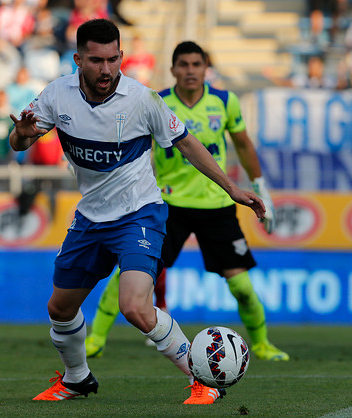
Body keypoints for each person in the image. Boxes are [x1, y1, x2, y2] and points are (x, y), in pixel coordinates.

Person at [9, 19, 266, 405]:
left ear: (121, 57)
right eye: (96, 61)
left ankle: (203, 381)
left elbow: (189, 145)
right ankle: (77, 379)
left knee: (135, 306)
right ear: (78, 59)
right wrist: (23, 135)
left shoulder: (143, 99)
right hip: (91, 217)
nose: (107, 69)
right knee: (59, 308)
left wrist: (233, 189)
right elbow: (18, 140)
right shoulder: (55, 96)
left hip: (139, 214)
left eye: (113, 59)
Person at [85, 40, 289, 363]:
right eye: (184, 65)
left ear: (206, 68)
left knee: (242, 287)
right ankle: (95, 339)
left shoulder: (225, 102)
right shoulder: (155, 101)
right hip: (168, 207)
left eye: (197, 64)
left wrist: (260, 185)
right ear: (172, 69)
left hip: (216, 206)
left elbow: (244, 145)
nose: (190, 71)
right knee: (127, 274)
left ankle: (262, 344)